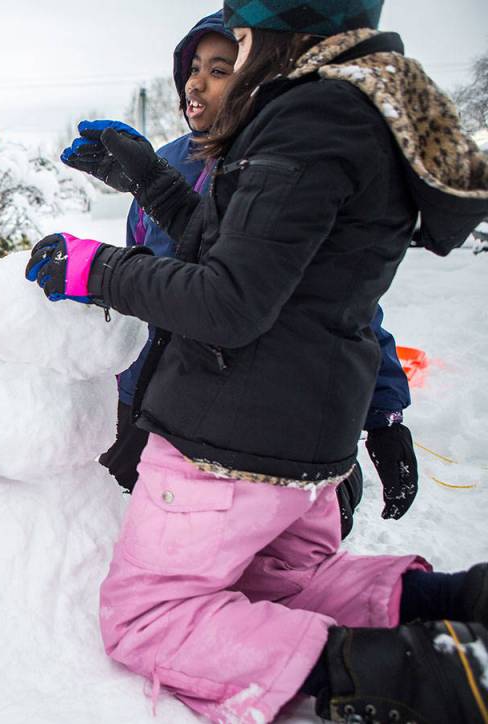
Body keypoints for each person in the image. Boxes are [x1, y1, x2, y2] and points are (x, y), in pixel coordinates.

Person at [27, 1, 488, 721]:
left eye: (235, 43)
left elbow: (230, 299)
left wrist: (97, 269)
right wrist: (152, 178)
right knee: (280, 584)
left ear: (284, 31)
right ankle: (451, 607)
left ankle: (412, 677)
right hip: (302, 431)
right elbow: (249, 258)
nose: (227, 65)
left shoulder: (312, 119)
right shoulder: (350, 107)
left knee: (148, 617)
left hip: (231, 433)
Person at [100, 11, 416, 540]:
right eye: (193, 67)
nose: (195, 84)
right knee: (134, 541)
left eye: (221, 69)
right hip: (148, 395)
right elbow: (143, 267)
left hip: (261, 414)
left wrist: (384, 415)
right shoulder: (168, 163)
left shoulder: (290, 163)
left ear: (261, 73)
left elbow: (344, 304)